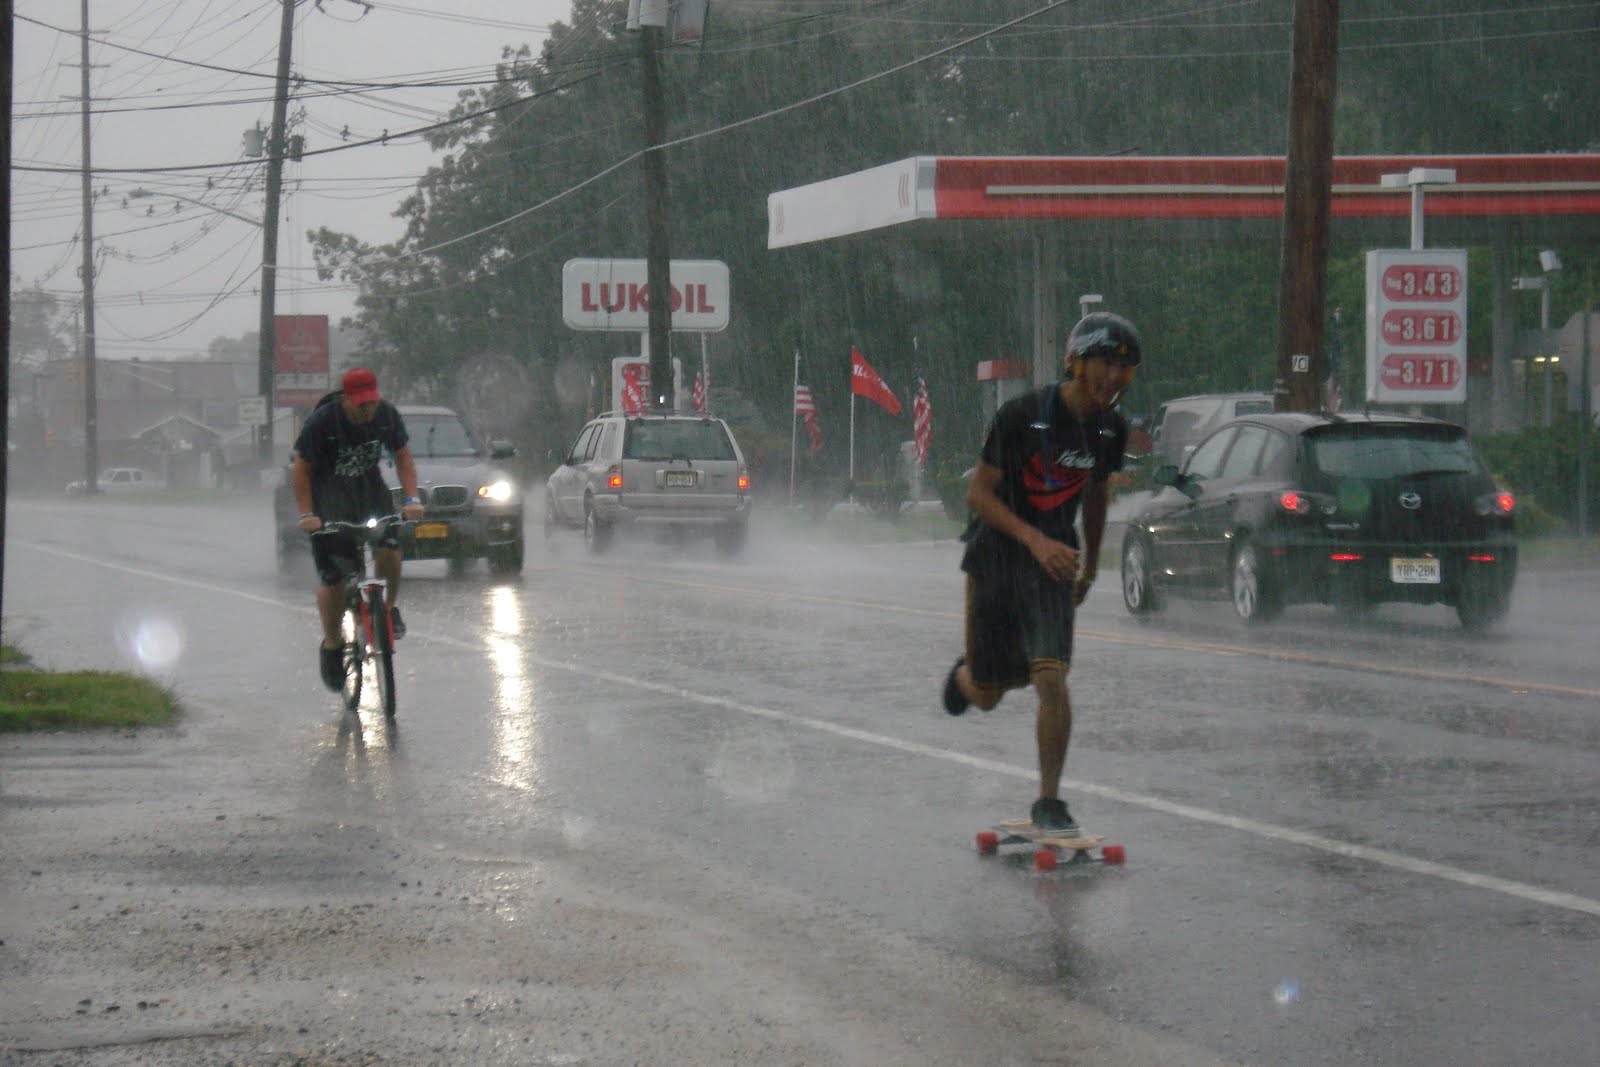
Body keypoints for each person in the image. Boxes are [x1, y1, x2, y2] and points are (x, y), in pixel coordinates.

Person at [941, 311, 1141, 832]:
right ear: (1075, 362)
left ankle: (1049, 800)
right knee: (988, 695)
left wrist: (1090, 567)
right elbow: (978, 494)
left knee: (1051, 678)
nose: (1113, 377)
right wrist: (1034, 540)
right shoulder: (1022, 415)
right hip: (996, 558)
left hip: (1054, 565)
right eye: (1104, 363)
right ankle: (965, 679)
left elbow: (1095, 495)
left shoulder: (1110, 429)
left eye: (1124, 368)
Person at [291, 368, 426, 691]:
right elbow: (301, 470)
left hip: (370, 494)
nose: (368, 410)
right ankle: (332, 645)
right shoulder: (323, 422)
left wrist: (411, 499)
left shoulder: (386, 416)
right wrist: (307, 514)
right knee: (335, 583)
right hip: (329, 501)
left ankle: (388, 609)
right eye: (361, 404)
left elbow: (403, 458)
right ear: (347, 399)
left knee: (389, 552)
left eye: (372, 402)